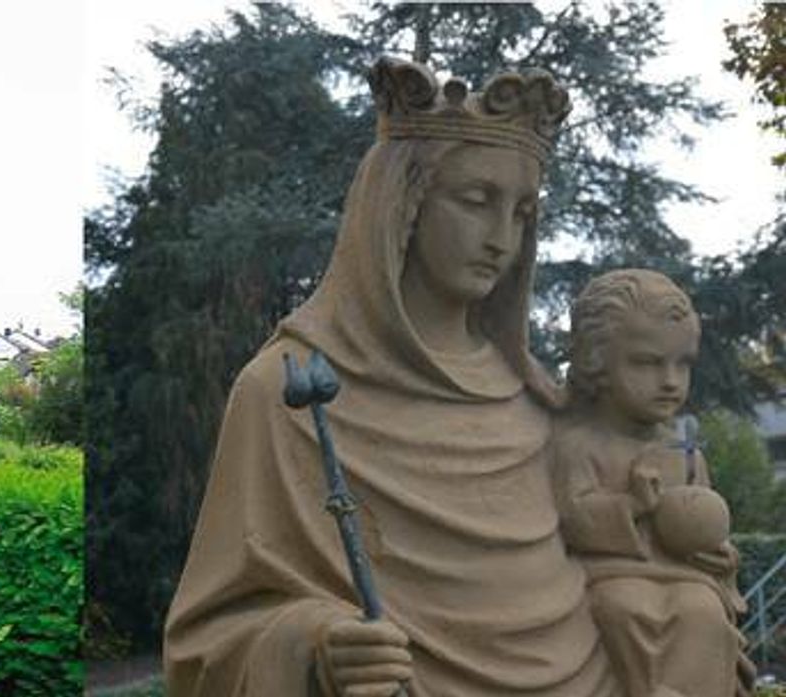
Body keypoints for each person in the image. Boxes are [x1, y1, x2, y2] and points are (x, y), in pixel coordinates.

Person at [164, 57, 751, 697]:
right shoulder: (290, 388)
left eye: (523, 212)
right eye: (476, 201)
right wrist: (318, 645)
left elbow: (639, 562)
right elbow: (210, 642)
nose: (502, 237)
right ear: (403, 204)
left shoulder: (536, 401)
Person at [554, 269, 743, 697]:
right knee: (625, 607)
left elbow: (711, 537)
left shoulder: (688, 455)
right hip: (609, 576)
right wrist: (632, 506)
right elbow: (570, 518)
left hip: (684, 579)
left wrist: (719, 555)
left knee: (704, 612)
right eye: (646, 363)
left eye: (683, 363)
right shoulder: (577, 445)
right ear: (596, 361)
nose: (670, 381)